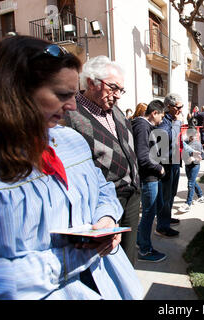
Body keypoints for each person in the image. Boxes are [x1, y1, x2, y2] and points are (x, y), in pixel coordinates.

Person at [0, 36, 143, 299]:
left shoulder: (71, 141)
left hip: (108, 285)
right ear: (15, 91)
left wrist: (106, 219)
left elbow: (102, 187)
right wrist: (72, 257)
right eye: (62, 95)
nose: (72, 106)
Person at [64, 56, 140, 266]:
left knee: (128, 258)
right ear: (91, 82)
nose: (117, 95)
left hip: (131, 196)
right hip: (101, 203)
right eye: (113, 87)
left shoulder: (117, 112)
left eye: (120, 90)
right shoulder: (70, 114)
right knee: (106, 260)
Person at [132, 100, 167, 262]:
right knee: (148, 214)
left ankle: (141, 241)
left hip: (151, 177)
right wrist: (158, 168)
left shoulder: (144, 126)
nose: (162, 119)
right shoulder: (142, 126)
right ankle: (145, 250)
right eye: (161, 115)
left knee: (149, 212)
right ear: (154, 113)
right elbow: (143, 156)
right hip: (148, 177)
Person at [156, 93, 184, 238]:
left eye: (181, 107)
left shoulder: (173, 120)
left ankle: (167, 217)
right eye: (178, 107)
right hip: (166, 164)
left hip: (175, 162)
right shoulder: (164, 121)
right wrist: (178, 123)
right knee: (165, 196)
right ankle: (162, 226)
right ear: (168, 107)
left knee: (171, 194)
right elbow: (166, 140)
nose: (180, 110)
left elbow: (178, 140)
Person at [178, 129, 204, 213]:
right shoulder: (185, 142)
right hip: (187, 165)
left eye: (194, 136)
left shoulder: (197, 144)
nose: (193, 137)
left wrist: (194, 158)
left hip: (195, 166)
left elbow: (203, 156)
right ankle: (201, 196)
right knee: (192, 182)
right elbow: (182, 152)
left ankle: (188, 204)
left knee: (190, 183)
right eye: (191, 136)